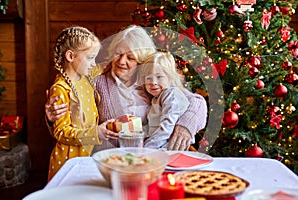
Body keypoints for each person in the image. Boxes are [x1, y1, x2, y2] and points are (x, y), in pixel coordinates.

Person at [45, 25, 208, 151]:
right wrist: (53, 119)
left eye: (130, 57)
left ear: (142, 60)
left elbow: (197, 101)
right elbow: (71, 121)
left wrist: (185, 126)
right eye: (118, 53)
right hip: (109, 160)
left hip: (151, 159)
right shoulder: (97, 81)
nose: (121, 61)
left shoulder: (152, 82)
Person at [47, 26, 113, 182]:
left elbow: (105, 65)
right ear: (70, 56)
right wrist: (95, 133)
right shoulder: (61, 89)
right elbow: (61, 132)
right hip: (68, 162)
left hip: (86, 158)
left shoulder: (86, 76)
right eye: (90, 57)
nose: (93, 63)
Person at [139, 51, 190, 149]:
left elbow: (167, 126)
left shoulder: (171, 95)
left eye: (159, 77)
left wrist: (148, 148)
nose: (153, 82)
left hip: (172, 146)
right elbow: (152, 127)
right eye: (149, 78)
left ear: (170, 78)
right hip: (159, 144)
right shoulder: (156, 98)